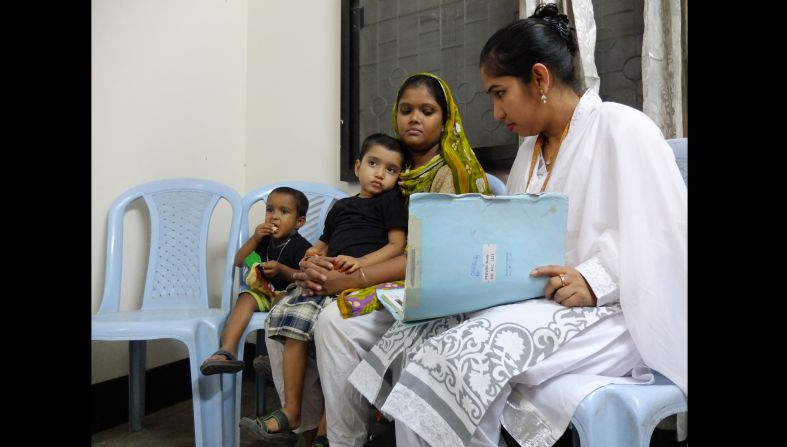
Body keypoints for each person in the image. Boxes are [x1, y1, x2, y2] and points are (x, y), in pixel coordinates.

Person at [344, 4, 687, 446]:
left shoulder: (625, 129)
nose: (495, 111)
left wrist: (595, 279)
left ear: (539, 80)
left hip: (618, 311)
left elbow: (667, 240)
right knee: (416, 339)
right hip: (546, 304)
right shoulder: (531, 150)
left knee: (456, 359)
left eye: (499, 92)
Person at [293, 72, 491, 446]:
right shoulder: (391, 172)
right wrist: (322, 263)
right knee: (331, 322)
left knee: (340, 317)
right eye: (406, 110)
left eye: (427, 111)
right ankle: (344, 439)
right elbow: (360, 235)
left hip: (438, 296)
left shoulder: (454, 173)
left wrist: (351, 279)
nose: (414, 118)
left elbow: (432, 258)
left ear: (446, 120)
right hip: (390, 288)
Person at [239, 133, 409, 446]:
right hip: (329, 270)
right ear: (358, 167)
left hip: (357, 277)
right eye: (373, 164)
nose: (380, 174)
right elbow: (325, 242)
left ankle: (318, 426)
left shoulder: (391, 202)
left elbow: (397, 246)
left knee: (317, 322)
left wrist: (359, 264)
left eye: (391, 170)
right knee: (283, 311)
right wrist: (312, 254)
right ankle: (295, 414)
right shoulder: (341, 206)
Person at [199, 187, 311, 375]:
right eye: (270, 210)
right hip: (263, 291)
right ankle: (227, 351)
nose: (274, 217)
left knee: (281, 300)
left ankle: (274, 357)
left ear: (299, 222)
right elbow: (238, 261)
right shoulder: (263, 240)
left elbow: (305, 277)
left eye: (283, 212)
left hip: (287, 295)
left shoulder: (302, 247)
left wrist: (282, 271)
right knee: (245, 298)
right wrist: (254, 238)